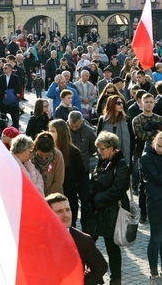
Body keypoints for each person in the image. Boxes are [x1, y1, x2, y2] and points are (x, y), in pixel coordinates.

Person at [89, 132, 130, 285]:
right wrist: (91, 196)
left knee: (111, 247)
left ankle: (116, 279)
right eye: (99, 149)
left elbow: (118, 189)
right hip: (98, 210)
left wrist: (97, 200)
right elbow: (93, 179)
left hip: (112, 211)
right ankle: (94, 274)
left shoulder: (121, 164)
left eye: (103, 149)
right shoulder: (102, 160)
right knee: (89, 243)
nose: (100, 152)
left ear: (112, 148)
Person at [45, 193, 108, 285]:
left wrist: (82, 281)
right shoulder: (37, 238)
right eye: (59, 211)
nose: (66, 215)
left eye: (67, 209)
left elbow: (101, 266)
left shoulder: (83, 240)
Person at [49, 119, 85, 226]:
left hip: (69, 195)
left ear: (61, 133)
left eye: (53, 131)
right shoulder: (48, 150)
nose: (50, 133)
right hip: (51, 195)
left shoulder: (73, 152)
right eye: (49, 130)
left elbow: (81, 174)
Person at [141, 131, 162, 282]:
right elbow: (157, 177)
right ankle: (154, 271)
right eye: (159, 146)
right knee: (156, 238)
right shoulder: (146, 157)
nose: (161, 149)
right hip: (155, 202)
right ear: (154, 142)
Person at [96, 94, 132, 169]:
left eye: (122, 103)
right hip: (106, 155)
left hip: (122, 155)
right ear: (112, 104)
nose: (121, 105)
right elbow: (98, 138)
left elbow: (131, 138)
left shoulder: (127, 120)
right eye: (118, 103)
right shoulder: (103, 120)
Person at [32, 131, 65, 196]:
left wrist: (45, 198)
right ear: (36, 148)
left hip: (54, 195)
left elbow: (58, 182)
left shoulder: (57, 155)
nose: (44, 158)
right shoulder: (30, 156)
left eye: (47, 156)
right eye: (41, 156)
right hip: (35, 195)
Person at [0, 62, 20, 129]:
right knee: (2, 117)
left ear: (10, 69)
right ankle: (2, 130)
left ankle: (15, 130)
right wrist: (3, 94)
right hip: (3, 100)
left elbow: (17, 87)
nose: (4, 69)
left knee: (14, 117)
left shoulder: (15, 77)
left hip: (12, 100)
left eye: (6, 68)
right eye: (4, 68)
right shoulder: (1, 77)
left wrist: (11, 94)